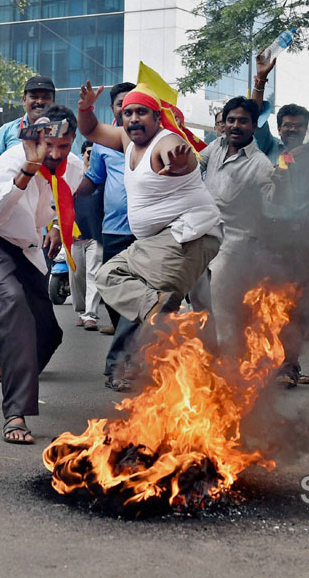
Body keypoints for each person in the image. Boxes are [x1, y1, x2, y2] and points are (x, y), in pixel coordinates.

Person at [76, 81, 222, 388]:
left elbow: (181, 157)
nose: (132, 119)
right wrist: (85, 108)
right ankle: (164, 314)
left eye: (141, 112)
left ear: (157, 118)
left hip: (186, 236)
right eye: (128, 113)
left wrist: (181, 163)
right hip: (158, 242)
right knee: (108, 276)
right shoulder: (126, 140)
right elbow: (90, 131)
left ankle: (173, 334)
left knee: (147, 296)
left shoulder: (165, 142)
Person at [0, 105, 82, 444]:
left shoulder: (75, 167)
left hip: (25, 248)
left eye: (63, 146)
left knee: (50, 332)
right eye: (48, 143)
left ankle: (9, 368)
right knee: (13, 302)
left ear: (72, 142)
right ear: (36, 136)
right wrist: (29, 167)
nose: (54, 153)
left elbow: (58, 203)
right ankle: (16, 414)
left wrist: (55, 226)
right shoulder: (12, 160)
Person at [250, 54, 309, 387]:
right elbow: (252, 118)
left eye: (298, 125)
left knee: (292, 306)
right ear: (280, 128)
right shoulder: (266, 147)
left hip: (303, 240)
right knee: (262, 303)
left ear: (306, 129)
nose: (292, 129)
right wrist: (260, 82)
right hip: (268, 238)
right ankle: (263, 362)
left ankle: (289, 366)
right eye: (287, 124)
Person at [193, 96, 279, 355]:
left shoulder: (260, 163)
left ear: (254, 126)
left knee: (223, 307)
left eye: (243, 121)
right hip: (202, 236)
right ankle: (206, 355)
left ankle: (228, 365)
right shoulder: (216, 146)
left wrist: (284, 184)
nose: (235, 125)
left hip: (234, 245)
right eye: (230, 120)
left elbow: (273, 197)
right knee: (198, 300)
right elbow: (196, 165)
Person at [72, 82, 142, 391]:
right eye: (122, 107)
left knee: (138, 299)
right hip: (113, 230)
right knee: (113, 295)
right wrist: (61, 200)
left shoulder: (154, 140)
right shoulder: (103, 143)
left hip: (146, 234)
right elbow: (91, 182)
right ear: (115, 110)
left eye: (137, 107)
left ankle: (118, 362)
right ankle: (128, 352)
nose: (129, 114)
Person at [0, 75, 57, 170]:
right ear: (24, 100)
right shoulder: (6, 131)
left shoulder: (62, 132)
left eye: (46, 98)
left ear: (53, 102)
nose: (40, 102)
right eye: (34, 97)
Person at [69, 140, 104, 330]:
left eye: (94, 153)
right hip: (74, 237)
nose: (90, 156)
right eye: (88, 152)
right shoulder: (73, 177)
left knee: (93, 274)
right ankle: (82, 312)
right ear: (82, 154)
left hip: (95, 236)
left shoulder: (102, 177)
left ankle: (91, 315)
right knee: (77, 276)